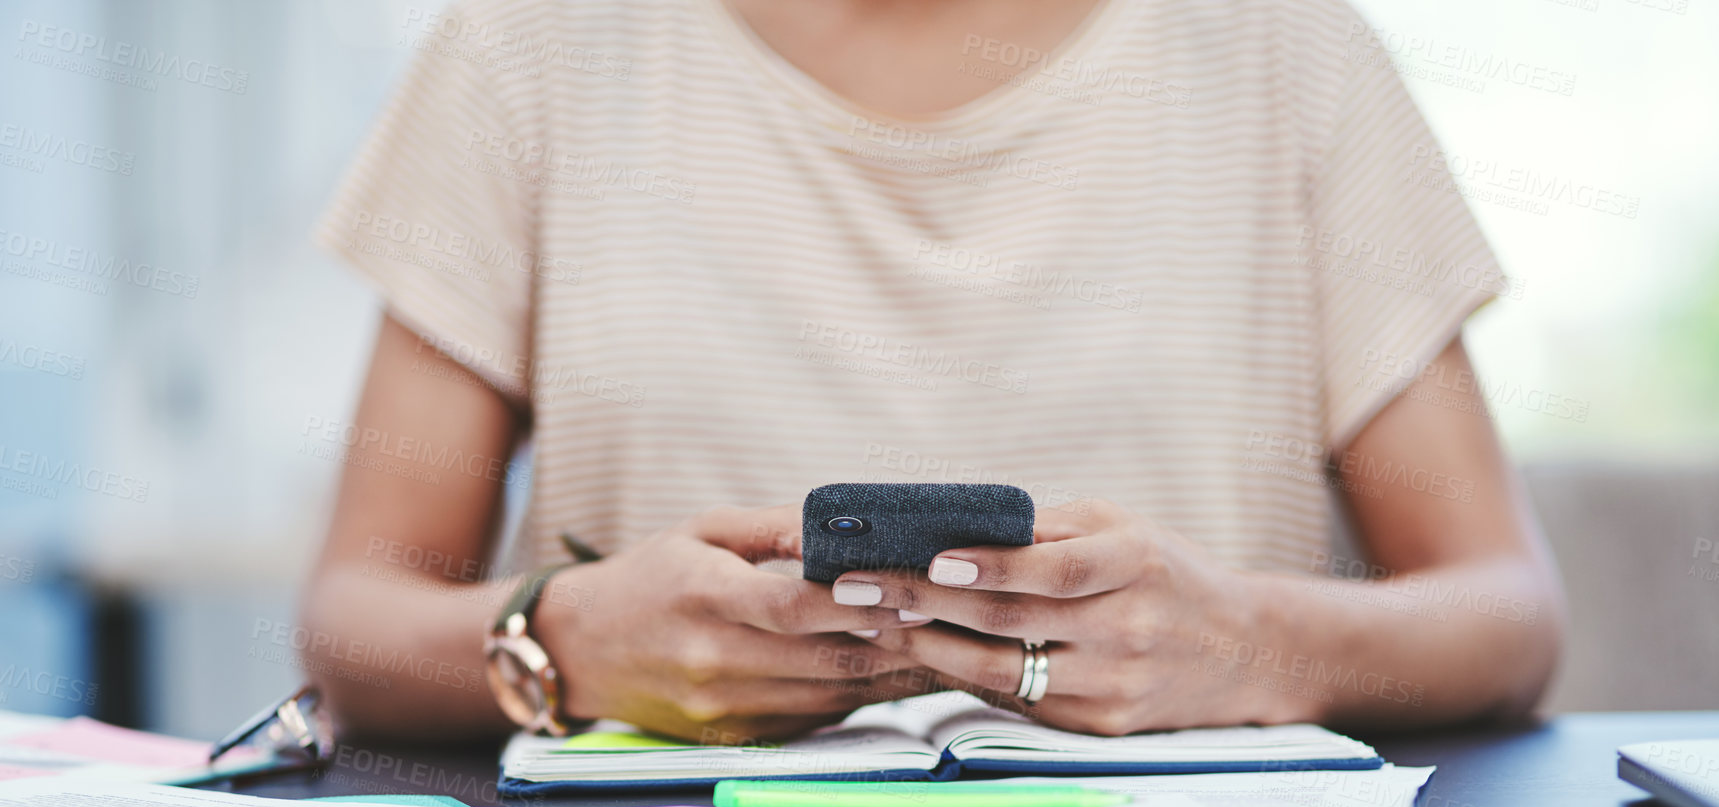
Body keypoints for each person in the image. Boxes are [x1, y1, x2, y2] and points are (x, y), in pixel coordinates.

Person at [300, 0, 1564, 742]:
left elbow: (1504, 612)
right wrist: (562, 641)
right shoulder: (530, 50)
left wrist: (1255, 642)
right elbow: (356, 618)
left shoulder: (1286, 54)